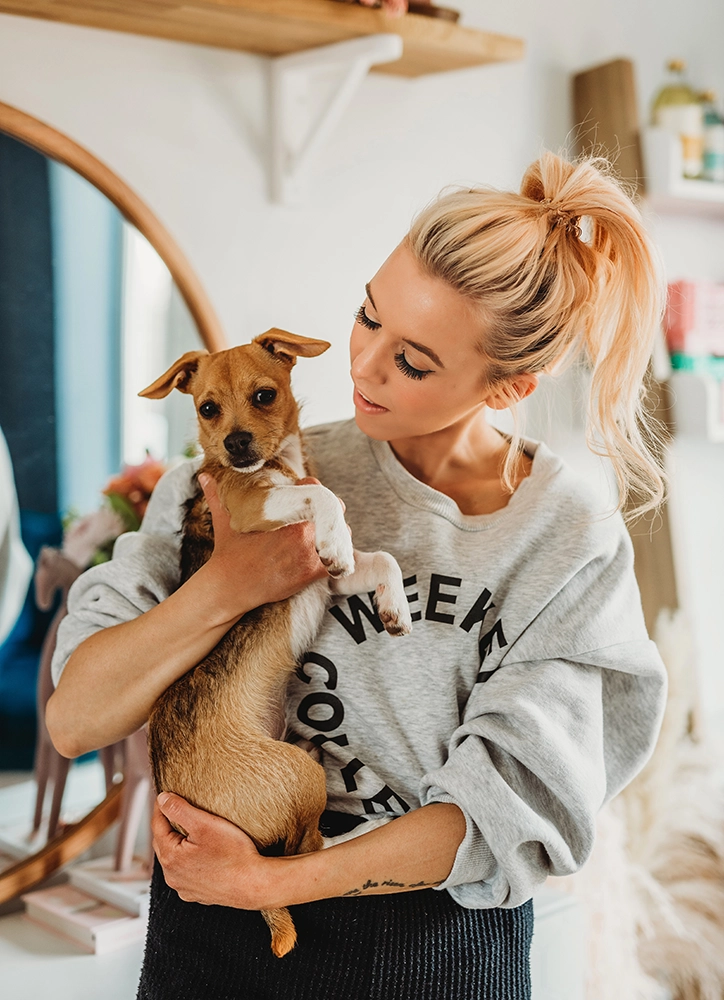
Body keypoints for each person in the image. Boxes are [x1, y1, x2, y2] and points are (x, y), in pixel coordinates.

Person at [47, 151, 668, 1000]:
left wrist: (268, 885)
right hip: (207, 944)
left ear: (510, 384)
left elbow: (505, 812)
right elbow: (77, 719)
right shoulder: (245, 475)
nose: (363, 367)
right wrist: (230, 582)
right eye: (366, 316)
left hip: (433, 953)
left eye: (413, 362)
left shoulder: (564, 536)